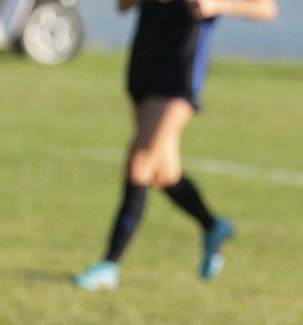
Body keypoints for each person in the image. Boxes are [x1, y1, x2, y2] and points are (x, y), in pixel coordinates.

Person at [73, 0, 278, 291]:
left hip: (181, 72)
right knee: (164, 174)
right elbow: (122, 6)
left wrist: (217, 4)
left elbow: (265, 8)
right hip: (145, 64)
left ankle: (110, 264)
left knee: (141, 162)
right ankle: (212, 226)